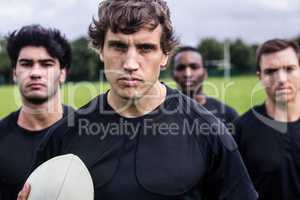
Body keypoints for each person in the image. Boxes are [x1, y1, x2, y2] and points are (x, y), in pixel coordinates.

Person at [18, 0, 257, 199]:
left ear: (165, 55)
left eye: (145, 48)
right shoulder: (63, 138)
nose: (130, 64)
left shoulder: (208, 132)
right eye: (118, 47)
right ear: (101, 50)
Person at [0, 24, 73, 200]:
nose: (35, 73)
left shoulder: (87, 133)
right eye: (26, 64)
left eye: (46, 64)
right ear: (15, 73)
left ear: (62, 73)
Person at [234, 39, 300, 200]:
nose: (282, 79)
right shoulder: (242, 129)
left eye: (289, 69)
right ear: (260, 76)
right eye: (271, 71)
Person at [171, 46, 238, 132]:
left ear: (205, 73)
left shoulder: (228, 115)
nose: (187, 74)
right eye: (181, 68)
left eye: (194, 67)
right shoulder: (161, 114)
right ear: (173, 74)